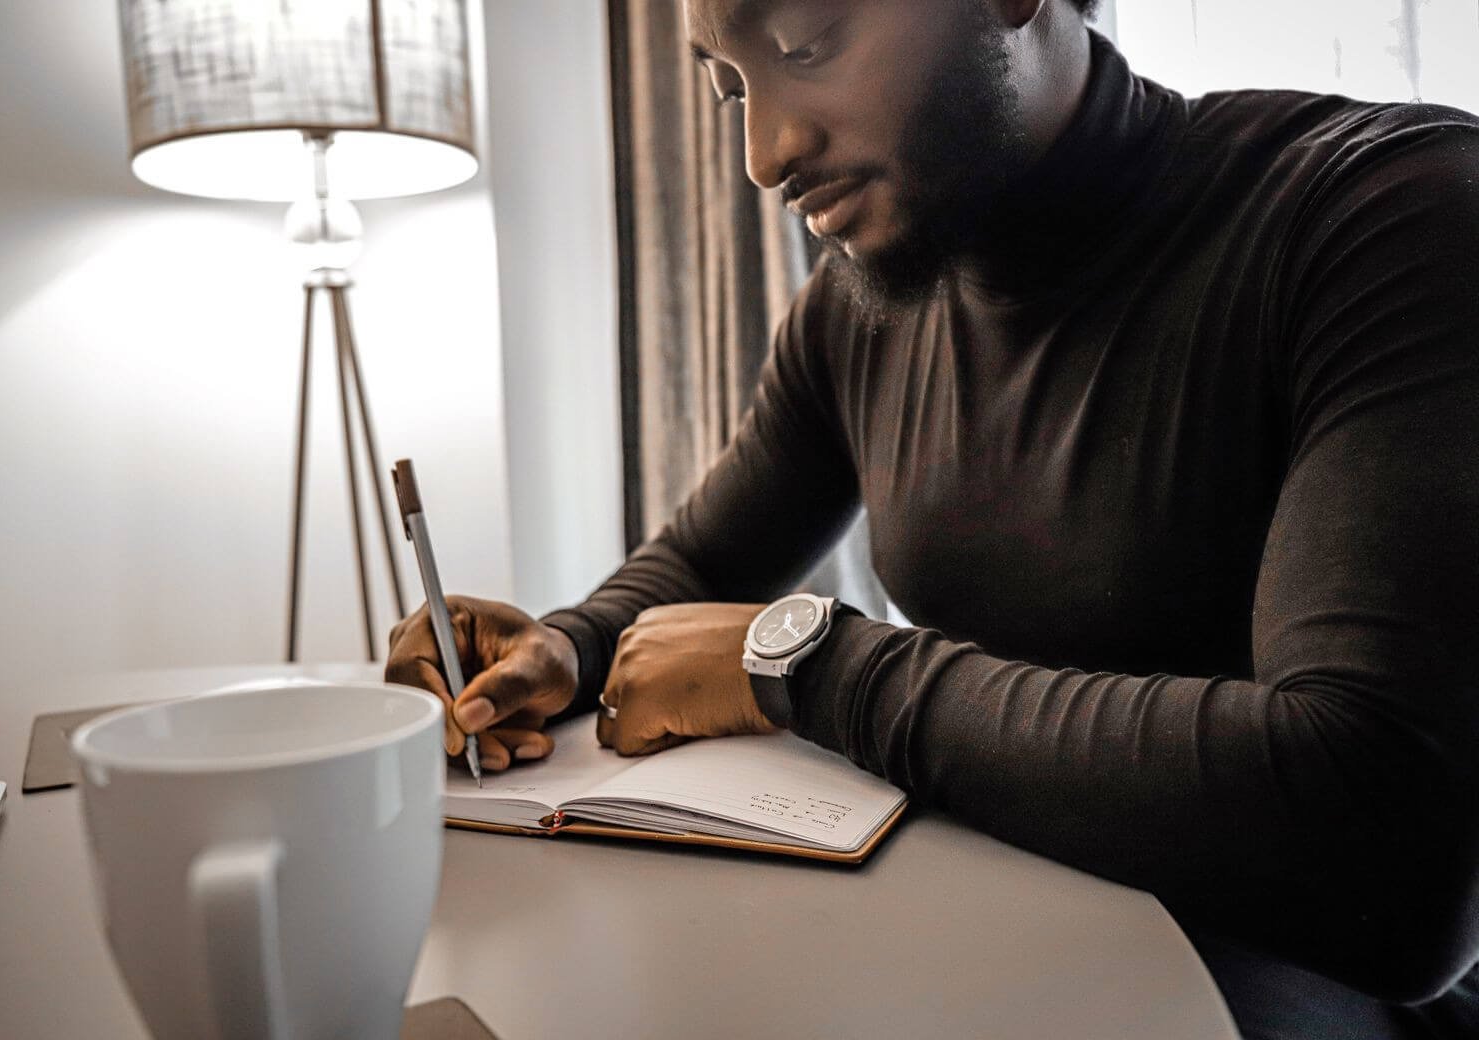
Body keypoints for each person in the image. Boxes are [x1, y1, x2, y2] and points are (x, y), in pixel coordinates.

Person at [387, 1, 1479, 1035]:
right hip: (1004, 936)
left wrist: (814, 669)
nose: (765, 153)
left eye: (807, 46)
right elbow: (706, 554)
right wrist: (565, 645)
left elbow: (1385, 842)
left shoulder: (1389, 213)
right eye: (730, 87)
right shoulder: (859, 311)